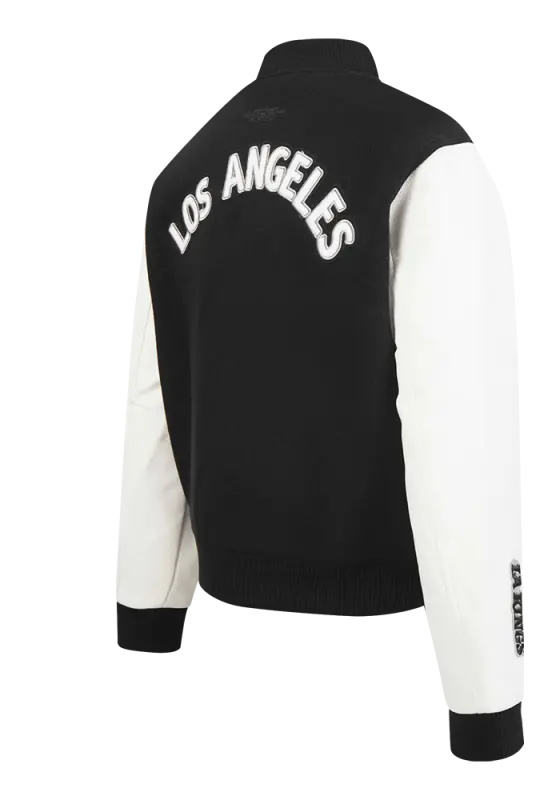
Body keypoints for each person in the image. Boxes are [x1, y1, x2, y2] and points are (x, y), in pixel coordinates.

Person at [117, 32, 525, 767]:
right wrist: (490, 695)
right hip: (401, 643)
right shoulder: (426, 154)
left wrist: (143, 613)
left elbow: (151, 406)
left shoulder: (179, 171)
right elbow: (456, 433)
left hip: (216, 621)